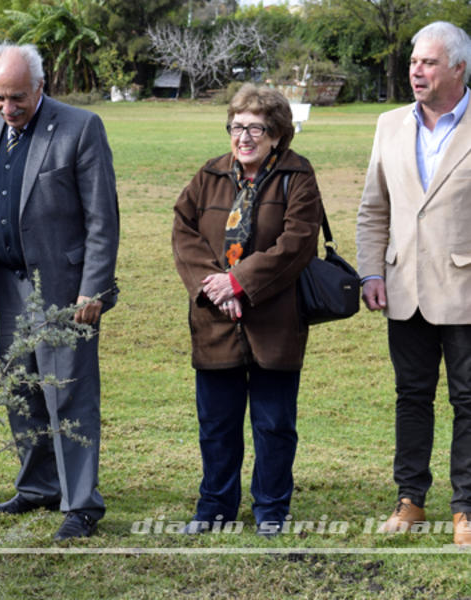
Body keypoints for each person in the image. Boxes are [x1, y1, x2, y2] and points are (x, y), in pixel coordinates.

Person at [0, 43, 119, 541]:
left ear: (40, 87)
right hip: (8, 286)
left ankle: (81, 504)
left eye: (17, 98)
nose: (8, 109)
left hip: (64, 290)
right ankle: (38, 486)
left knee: (70, 397)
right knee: (22, 393)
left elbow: (103, 217)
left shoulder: (80, 128)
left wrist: (93, 289)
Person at [172, 84, 322, 537]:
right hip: (215, 320)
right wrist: (218, 288)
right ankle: (215, 507)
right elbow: (184, 232)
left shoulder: (298, 175)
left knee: (274, 424)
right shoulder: (210, 174)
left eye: (256, 127)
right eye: (237, 126)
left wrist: (241, 281)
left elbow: (297, 243)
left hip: (275, 321)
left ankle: (271, 510)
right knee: (216, 423)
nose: (244, 137)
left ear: (277, 133)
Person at [355, 21, 471, 546]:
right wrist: (372, 271)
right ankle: (411, 500)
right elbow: (373, 208)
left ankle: (465, 509)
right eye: (413, 62)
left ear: (458, 69)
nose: (415, 71)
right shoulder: (389, 124)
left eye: (427, 62)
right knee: (412, 397)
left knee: (468, 402)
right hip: (404, 291)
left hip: (466, 292)